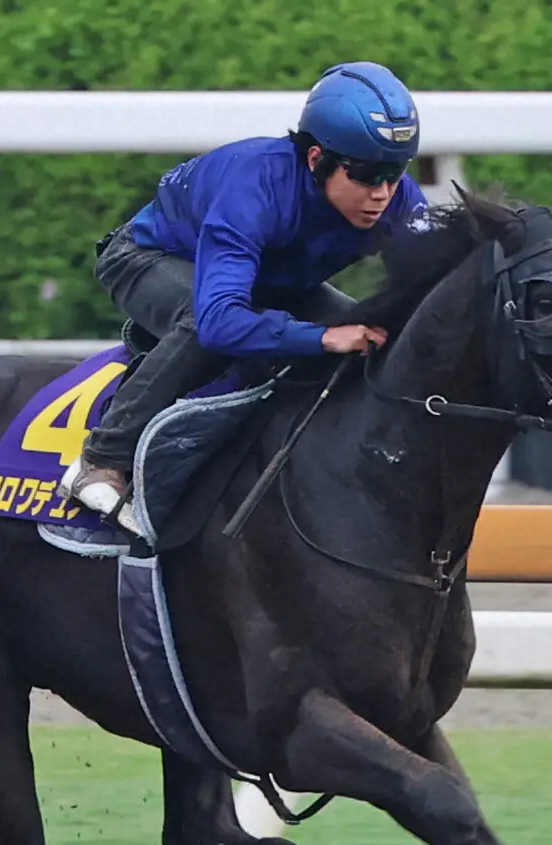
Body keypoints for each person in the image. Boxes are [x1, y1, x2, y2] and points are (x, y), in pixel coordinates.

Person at [60, 61, 429, 532]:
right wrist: (322, 338)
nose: (383, 194)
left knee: (374, 342)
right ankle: (102, 458)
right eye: (367, 175)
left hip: (269, 281)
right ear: (316, 159)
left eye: (395, 173)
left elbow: (435, 285)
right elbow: (220, 321)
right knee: (202, 323)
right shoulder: (255, 186)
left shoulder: (398, 199)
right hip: (150, 257)